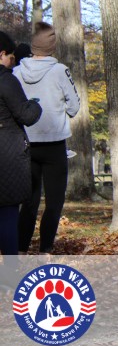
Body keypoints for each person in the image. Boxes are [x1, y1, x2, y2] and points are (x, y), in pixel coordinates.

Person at [14, 22, 80, 255]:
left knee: (28, 202)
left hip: (25, 142)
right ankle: (45, 250)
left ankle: (21, 250)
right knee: (54, 202)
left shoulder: (17, 72)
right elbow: (74, 106)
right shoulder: (60, 71)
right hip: (54, 144)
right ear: (52, 47)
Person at [0, 31, 42, 288]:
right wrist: (35, 104)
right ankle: (10, 272)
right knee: (6, 214)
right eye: (11, 57)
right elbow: (25, 115)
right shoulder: (5, 80)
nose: (12, 63)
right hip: (6, 155)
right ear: (1, 54)